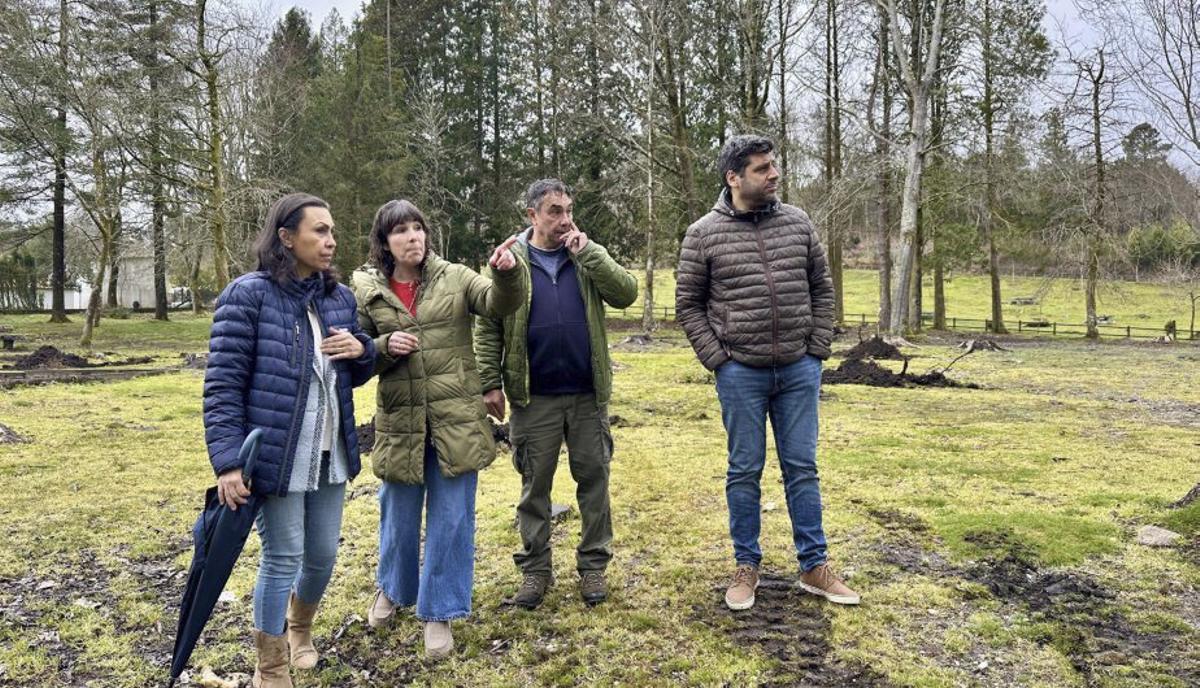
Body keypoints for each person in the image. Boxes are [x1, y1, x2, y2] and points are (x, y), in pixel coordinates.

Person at [675, 135, 860, 611]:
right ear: (733, 178)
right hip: (741, 373)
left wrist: (816, 350)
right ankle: (746, 566)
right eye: (761, 169)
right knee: (744, 470)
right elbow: (688, 305)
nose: (773, 174)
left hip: (799, 369)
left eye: (773, 166)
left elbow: (822, 287)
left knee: (803, 468)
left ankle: (814, 566)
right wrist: (719, 360)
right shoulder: (703, 234)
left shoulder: (798, 222)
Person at [203, 193, 376, 688]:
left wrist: (360, 350)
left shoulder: (338, 297)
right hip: (278, 456)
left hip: (330, 452)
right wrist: (229, 462)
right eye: (319, 231)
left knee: (321, 554)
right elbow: (222, 385)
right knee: (284, 555)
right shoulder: (248, 295)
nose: (330, 241)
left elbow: (352, 372)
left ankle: (300, 632)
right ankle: (271, 666)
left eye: (332, 231)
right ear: (285, 237)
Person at [352, 199, 526, 659]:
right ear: (385, 242)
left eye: (418, 228)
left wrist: (506, 271)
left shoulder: (455, 276)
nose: (413, 237)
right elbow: (357, 350)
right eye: (401, 231)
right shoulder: (367, 288)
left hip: (456, 423)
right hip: (401, 422)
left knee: (452, 521)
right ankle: (392, 589)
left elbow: (499, 303)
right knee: (397, 514)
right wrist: (385, 345)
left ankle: (439, 612)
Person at [474, 179, 638, 610]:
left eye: (567, 210)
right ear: (532, 215)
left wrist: (591, 254)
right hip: (534, 396)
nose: (564, 219)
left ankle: (593, 566)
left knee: (594, 481)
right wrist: (490, 381)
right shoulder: (510, 261)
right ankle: (534, 572)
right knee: (535, 487)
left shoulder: (585, 253)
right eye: (554, 211)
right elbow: (488, 325)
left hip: (587, 394)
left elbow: (626, 293)